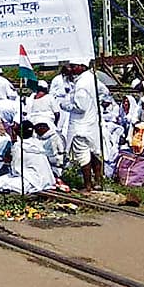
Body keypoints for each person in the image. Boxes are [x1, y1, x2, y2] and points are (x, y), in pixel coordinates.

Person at [0, 122, 55, 196]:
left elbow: (16, 169)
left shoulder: (19, 147)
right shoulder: (37, 144)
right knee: (0, 181)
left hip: (31, 180)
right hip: (45, 179)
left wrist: (8, 161)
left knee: (0, 183)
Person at [60, 63, 103, 191]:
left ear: (82, 67)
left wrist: (65, 105)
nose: (72, 69)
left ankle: (88, 185)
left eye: (74, 66)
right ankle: (98, 181)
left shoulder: (82, 84)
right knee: (94, 153)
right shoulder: (91, 78)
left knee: (83, 156)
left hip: (80, 126)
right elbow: (104, 92)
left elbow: (80, 107)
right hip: (92, 123)